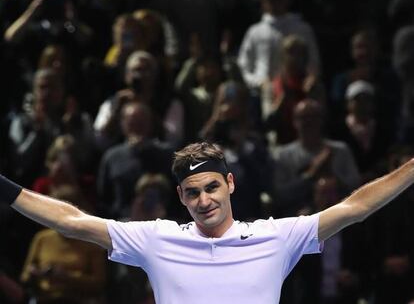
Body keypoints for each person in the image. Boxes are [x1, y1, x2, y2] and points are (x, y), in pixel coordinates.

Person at [2, 141, 414, 303]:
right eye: (193, 192)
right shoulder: (156, 238)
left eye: (212, 187)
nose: (205, 200)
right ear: (181, 196)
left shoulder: (276, 236)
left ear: (230, 184)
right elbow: (72, 221)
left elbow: (356, 207)